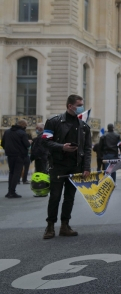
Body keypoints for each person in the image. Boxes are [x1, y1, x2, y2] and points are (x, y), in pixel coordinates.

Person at [41, 94, 92, 239]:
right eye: (79, 104)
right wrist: (62, 147)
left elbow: (87, 148)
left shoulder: (84, 126)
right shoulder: (54, 121)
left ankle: (65, 225)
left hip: (75, 167)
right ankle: (50, 226)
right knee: (55, 197)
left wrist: (86, 168)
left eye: (82, 104)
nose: (81, 107)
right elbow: (44, 142)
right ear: (70, 106)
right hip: (58, 165)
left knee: (69, 197)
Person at [1, 119, 31, 198]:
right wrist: (30, 142)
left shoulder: (7, 132)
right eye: (26, 125)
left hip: (10, 155)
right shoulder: (22, 133)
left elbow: (3, 143)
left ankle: (9, 191)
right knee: (16, 173)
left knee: (11, 172)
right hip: (19, 155)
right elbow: (27, 145)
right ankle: (12, 192)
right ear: (23, 125)